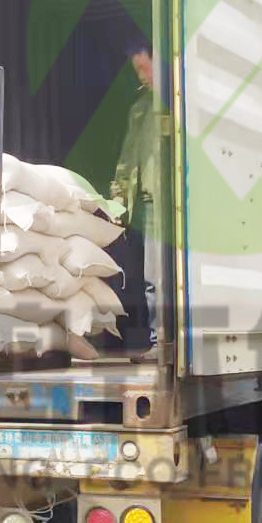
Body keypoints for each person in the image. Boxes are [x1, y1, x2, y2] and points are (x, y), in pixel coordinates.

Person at [110, 42, 163, 353]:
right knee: (146, 277)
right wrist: (117, 197)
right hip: (141, 204)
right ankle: (156, 339)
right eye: (137, 70)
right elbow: (127, 159)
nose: (141, 75)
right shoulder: (140, 108)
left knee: (158, 278)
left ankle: (161, 340)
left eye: (144, 67)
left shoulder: (174, 103)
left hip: (164, 203)